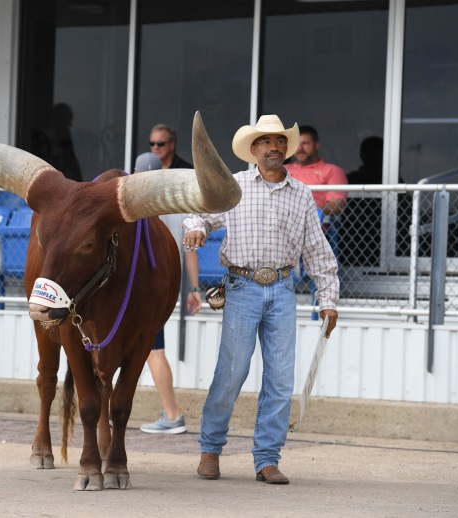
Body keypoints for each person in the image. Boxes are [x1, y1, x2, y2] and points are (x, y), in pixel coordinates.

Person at [183, 115, 339, 485]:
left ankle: (267, 459)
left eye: (280, 142)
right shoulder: (233, 186)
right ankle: (210, 450)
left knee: (281, 378)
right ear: (252, 150)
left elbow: (317, 250)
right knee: (233, 371)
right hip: (242, 286)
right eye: (266, 142)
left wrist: (328, 299)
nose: (274, 148)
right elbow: (199, 215)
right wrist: (194, 231)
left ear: (287, 148)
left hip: (283, 288)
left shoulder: (301, 194)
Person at [134, 148, 188, 435]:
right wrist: (193, 288)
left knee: (152, 351)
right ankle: (170, 413)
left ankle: (172, 414)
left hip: (143, 287)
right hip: (168, 285)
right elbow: (189, 251)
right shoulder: (177, 203)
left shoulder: (137, 205)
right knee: (153, 350)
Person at [284, 125, 347, 217]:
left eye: (305, 144)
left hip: (315, 226)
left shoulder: (332, 170)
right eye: (297, 144)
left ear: (316, 146)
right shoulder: (281, 170)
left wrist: (306, 213)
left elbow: (337, 205)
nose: (300, 149)